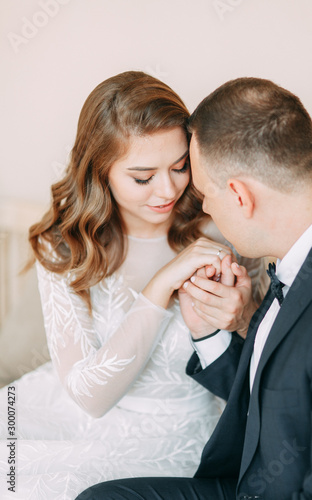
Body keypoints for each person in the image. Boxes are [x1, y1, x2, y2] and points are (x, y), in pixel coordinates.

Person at [0, 72, 267, 500]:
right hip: (75, 418)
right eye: (143, 177)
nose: (168, 190)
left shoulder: (229, 229)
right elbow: (91, 398)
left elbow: (268, 357)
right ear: (100, 171)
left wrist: (243, 315)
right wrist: (161, 285)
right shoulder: (65, 246)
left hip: (185, 435)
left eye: (180, 167)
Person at [77, 77, 312, 500]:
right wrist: (220, 328)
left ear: (239, 195)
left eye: (203, 192)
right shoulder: (296, 259)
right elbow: (276, 394)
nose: (202, 207)